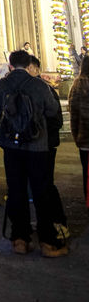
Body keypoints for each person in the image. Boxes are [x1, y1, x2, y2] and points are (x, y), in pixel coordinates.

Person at [0, 49, 68, 257]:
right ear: (29, 64)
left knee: (16, 190)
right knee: (41, 191)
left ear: (11, 65)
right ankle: (47, 242)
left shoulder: (2, 85)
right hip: (36, 146)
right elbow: (51, 111)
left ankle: (19, 239)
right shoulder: (40, 85)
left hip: (11, 146)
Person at [28, 55, 67, 232]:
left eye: (28, 68)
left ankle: (58, 219)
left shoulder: (45, 90)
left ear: (36, 69)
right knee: (37, 183)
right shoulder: (26, 89)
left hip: (45, 145)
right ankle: (45, 218)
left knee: (46, 183)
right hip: (34, 146)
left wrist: (39, 132)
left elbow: (56, 120)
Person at [68, 55, 89, 203]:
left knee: (86, 172)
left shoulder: (77, 85)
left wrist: (77, 136)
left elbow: (73, 112)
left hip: (84, 139)